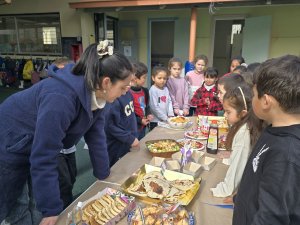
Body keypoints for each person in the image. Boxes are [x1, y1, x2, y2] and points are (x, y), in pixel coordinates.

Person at [0, 40, 134, 225]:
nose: (125, 92)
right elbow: (45, 154)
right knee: (18, 203)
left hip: (35, 141)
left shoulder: (97, 92)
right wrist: (52, 209)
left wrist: (104, 175)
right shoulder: (61, 98)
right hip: (10, 142)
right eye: (123, 87)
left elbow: (96, 136)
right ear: (106, 82)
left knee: (37, 199)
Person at [233, 55, 300, 225]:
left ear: (266, 101)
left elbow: (272, 216)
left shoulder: (287, 154)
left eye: (254, 94)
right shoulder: (274, 129)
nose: (252, 99)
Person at [210, 85, 263, 198]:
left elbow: (237, 169)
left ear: (243, 113)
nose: (224, 115)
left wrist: (224, 190)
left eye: (228, 112)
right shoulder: (245, 126)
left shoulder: (244, 133)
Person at [105, 89, 139, 167]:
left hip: (129, 140)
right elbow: (110, 126)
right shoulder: (112, 99)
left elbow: (131, 116)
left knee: (127, 164)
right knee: (115, 168)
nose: (129, 84)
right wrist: (129, 138)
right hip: (116, 144)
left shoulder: (128, 93)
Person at [130, 62, 153, 140]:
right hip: (133, 129)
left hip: (143, 127)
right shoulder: (128, 93)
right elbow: (129, 114)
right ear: (135, 79)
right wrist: (140, 120)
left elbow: (146, 106)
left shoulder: (145, 91)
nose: (145, 79)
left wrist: (148, 114)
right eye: (144, 77)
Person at [149, 66, 174, 130]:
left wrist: (170, 114)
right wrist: (165, 118)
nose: (162, 80)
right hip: (155, 121)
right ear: (153, 78)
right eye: (159, 78)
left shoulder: (166, 89)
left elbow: (169, 101)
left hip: (166, 120)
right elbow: (154, 107)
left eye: (164, 78)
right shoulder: (153, 90)